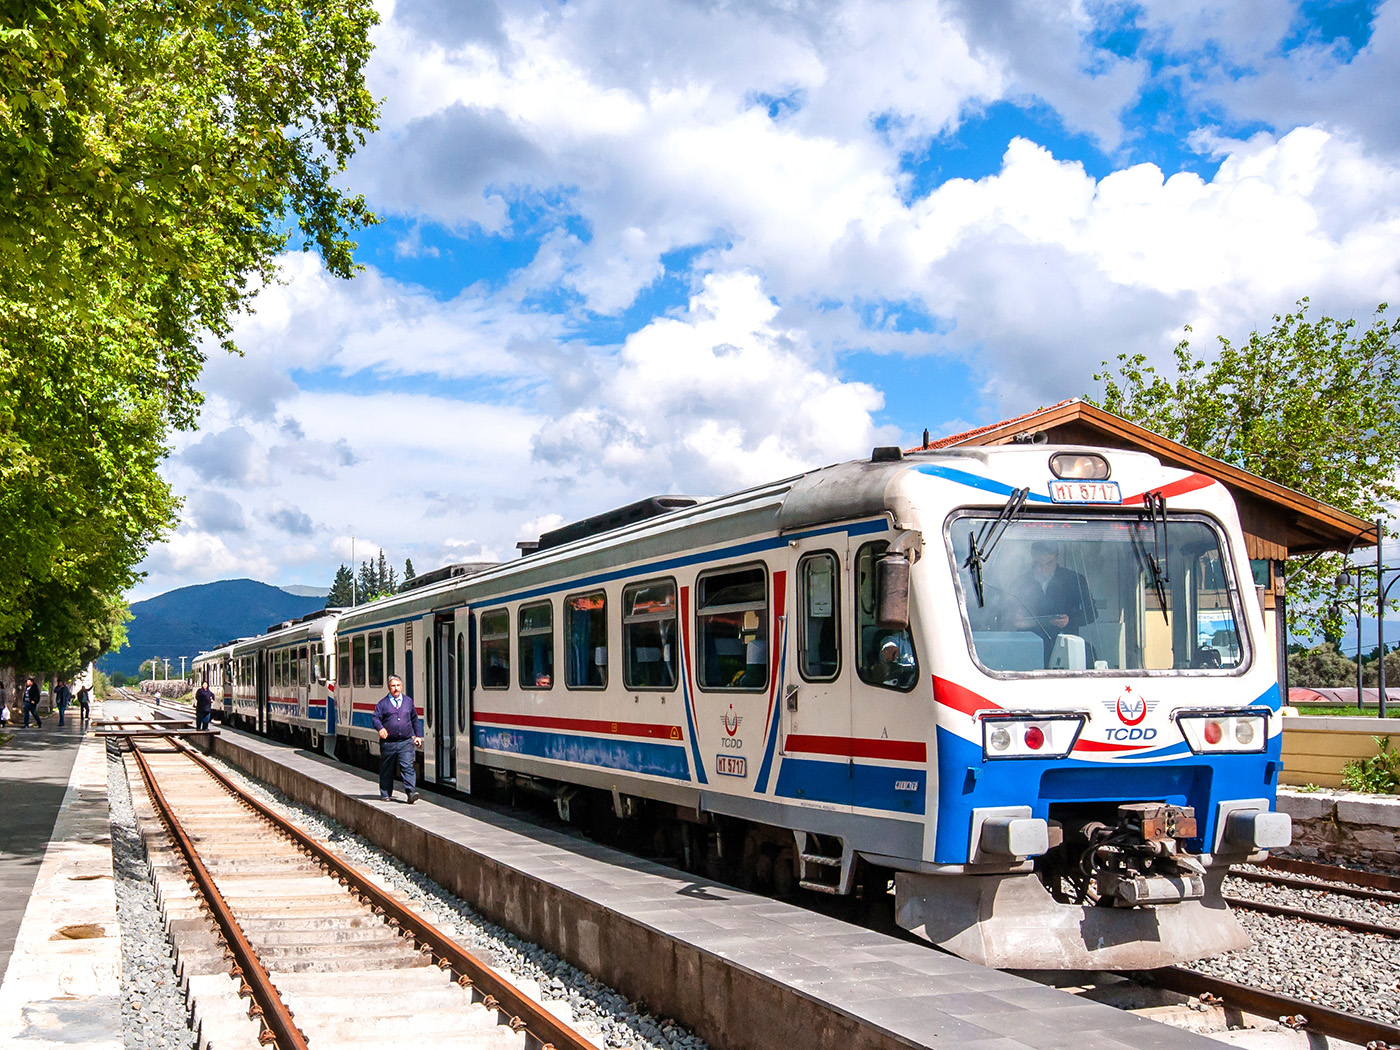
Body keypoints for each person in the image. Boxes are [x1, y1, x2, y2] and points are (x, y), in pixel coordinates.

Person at [1015, 542, 1096, 661]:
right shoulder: (1020, 582)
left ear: (1057, 558)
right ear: (1032, 557)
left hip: (1065, 648)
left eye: (1049, 563)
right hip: (1029, 648)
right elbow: (1001, 612)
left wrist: (1069, 620)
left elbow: (1091, 613)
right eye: (1038, 564)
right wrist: (1015, 618)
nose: (1043, 568)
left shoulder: (1074, 580)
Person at [371, 675, 421, 803]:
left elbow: (414, 719)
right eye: (393, 686)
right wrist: (380, 729)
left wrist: (418, 736)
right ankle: (385, 793)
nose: (396, 688)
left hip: (405, 742)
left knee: (407, 767)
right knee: (387, 768)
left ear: (401, 686)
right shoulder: (383, 704)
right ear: (389, 687)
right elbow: (375, 718)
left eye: (398, 686)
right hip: (389, 743)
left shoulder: (408, 702)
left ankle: (410, 793)